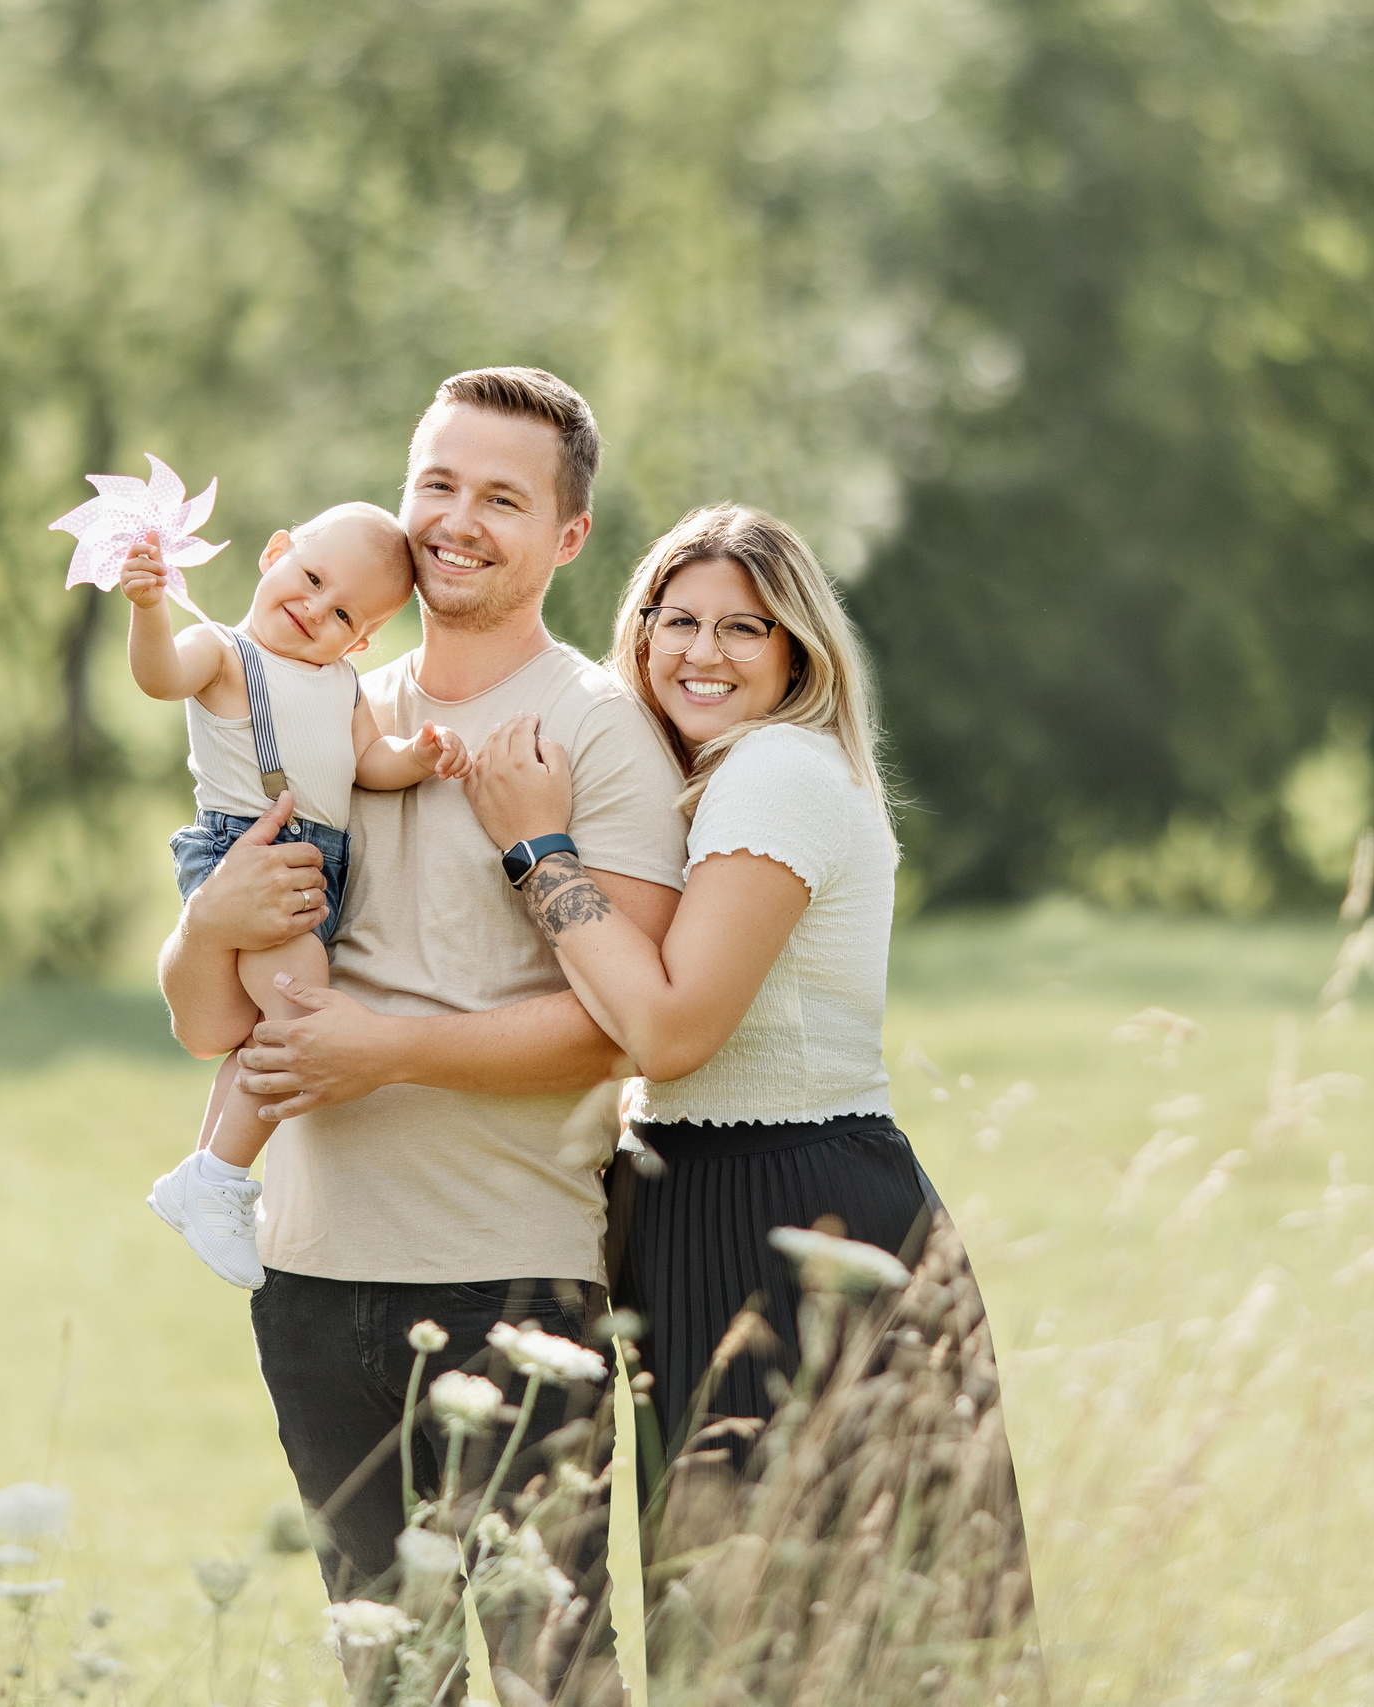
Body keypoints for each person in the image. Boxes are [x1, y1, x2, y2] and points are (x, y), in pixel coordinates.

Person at [154, 369, 688, 1621]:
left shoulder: (598, 730)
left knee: (555, 1666)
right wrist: (203, 925)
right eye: (437, 483)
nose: (456, 518)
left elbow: (617, 1033)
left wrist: (381, 1051)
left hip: (507, 1283)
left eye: (501, 496)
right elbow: (208, 1024)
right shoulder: (321, 694)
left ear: (567, 538)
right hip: (307, 1274)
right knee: (390, 1673)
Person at [458, 503, 1034, 1545]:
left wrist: (536, 849)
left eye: (743, 627)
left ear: (796, 650)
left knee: (784, 1612)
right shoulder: (710, 783)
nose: (702, 653)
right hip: (698, 1197)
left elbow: (672, 1035)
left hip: (787, 1207)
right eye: (677, 621)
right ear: (640, 634)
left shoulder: (774, 775)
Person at [120, 502, 470, 1289]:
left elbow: (367, 763)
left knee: (266, 1029)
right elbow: (158, 676)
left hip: (317, 867)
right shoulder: (222, 651)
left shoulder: (341, 683)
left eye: (341, 610)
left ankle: (203, 1173)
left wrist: (418, 754)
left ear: (362, 640)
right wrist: (148, 609)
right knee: (304, 1017)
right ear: (274, 551)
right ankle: (220, 1178)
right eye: (309, 577)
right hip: (248, 856)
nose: (314, 608)